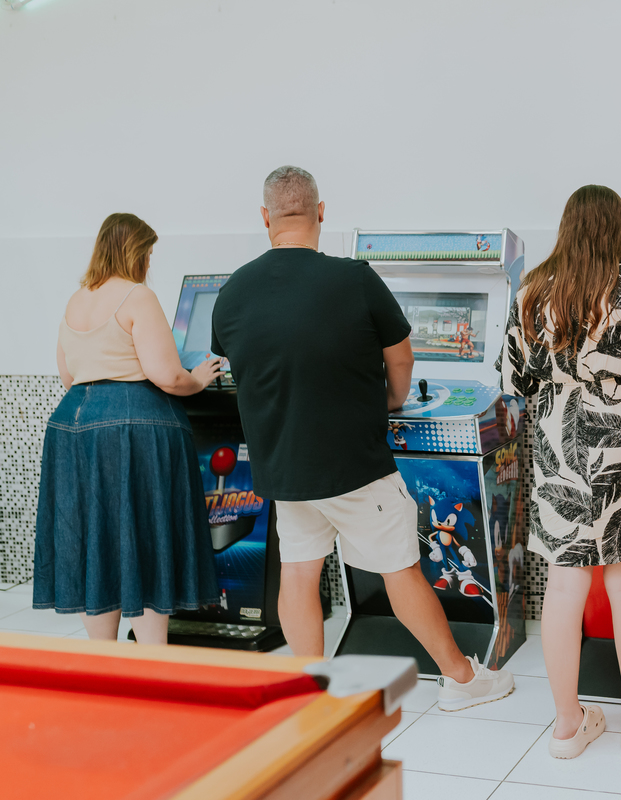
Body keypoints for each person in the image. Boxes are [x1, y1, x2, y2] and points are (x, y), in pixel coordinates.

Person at [210, 166, 513, 710]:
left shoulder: (232, 292)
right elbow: (402, 357)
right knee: (400, 571)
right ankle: (463, 681)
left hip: (285, 469)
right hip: (355, 463)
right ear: (321, 211)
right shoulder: (354, 278)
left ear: (265, 218)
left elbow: (249, 364)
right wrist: (393, 400)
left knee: (299, 574)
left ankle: (312, 691)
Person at [497, 185, 621, 759]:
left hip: (561, 455)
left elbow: (517, 386)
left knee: (563, 587)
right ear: (619, 229)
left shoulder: (532, 292)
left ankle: (566, 726)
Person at [34, 213, 222, 644]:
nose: (150, 262)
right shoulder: (138, 296)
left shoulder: (76, 300)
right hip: (133, 429)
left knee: (93, 539)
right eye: (149, 253)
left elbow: (68, 375)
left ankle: (104, 655)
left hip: (71, 427)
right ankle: (153, 656)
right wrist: (198, 377)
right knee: (146, 532)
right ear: (136, 251)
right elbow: (166, 376)